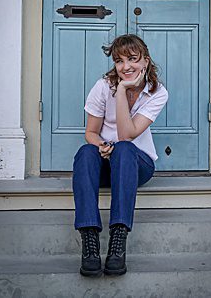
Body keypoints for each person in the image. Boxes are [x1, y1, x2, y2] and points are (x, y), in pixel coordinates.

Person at [73, 34, 169, 277]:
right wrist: (102, 145)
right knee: (86, 152)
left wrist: (123, 89)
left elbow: (127, 135)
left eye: (133, 59)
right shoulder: (103, 86)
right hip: (106, 162)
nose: (126, 67)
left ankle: (118, 239)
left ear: (145, 61)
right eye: (119, 61)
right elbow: (91, 133)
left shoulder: (157, 93)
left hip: (137, 164)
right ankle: (90, 240)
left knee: (125, 149)